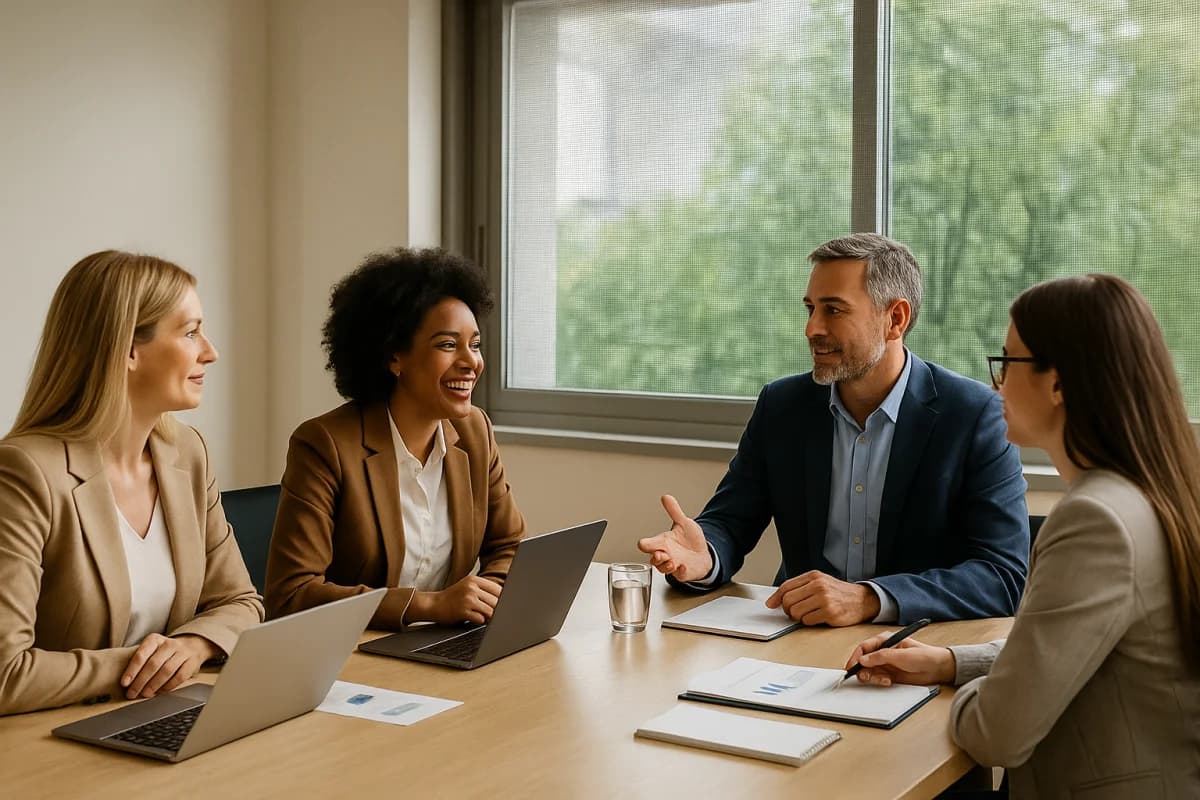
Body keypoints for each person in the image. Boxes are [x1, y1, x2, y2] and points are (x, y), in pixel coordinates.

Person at [845, 275, 1200, 797]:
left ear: (1058, 384)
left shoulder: (1095, 521)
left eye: (1007, 363)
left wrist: (964, 697)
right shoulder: (1155, 492)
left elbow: (997, 734)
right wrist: (948, 663)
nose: (996, 384)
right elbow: (1088, 650)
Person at [638, 233, 1029, 625]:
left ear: (896, 319)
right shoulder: (782, 406)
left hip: (916, 648)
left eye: (834, 310)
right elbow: (730, 522)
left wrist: (868, 599)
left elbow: (1002, 576)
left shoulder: (975, 415)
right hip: (798, 638)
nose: (812, 328)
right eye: (810, 309)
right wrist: (705, 555)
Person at [0, 251, 264, 715]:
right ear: (127, 349)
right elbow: (6, 673)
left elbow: (241, 601)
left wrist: (194, 646)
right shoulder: (25, 473)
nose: (210, 351)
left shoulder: (187, 453)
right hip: (51, 747)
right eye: (190, 331)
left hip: (162, 716)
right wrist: (141, 664)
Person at [264, 247, 525, 629]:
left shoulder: (475, 432)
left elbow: (510, 547)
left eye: (476, 344)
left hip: (444, 644)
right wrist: (429, 606)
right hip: (357, 658)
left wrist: (485, 598)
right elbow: (292, 595)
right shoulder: (325, 444)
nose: (471, 362)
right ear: (394, 357)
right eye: (448, 345)